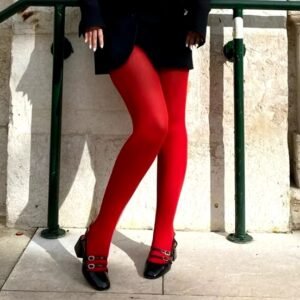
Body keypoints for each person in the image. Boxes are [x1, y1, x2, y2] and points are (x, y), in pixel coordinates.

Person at [75, 0, 210, 291]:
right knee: (154, 125)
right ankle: (98, 235)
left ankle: (164, 235)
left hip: (174, 24)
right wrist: (92, 13)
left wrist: (199, 16)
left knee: (173, 127)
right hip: (120, 22)